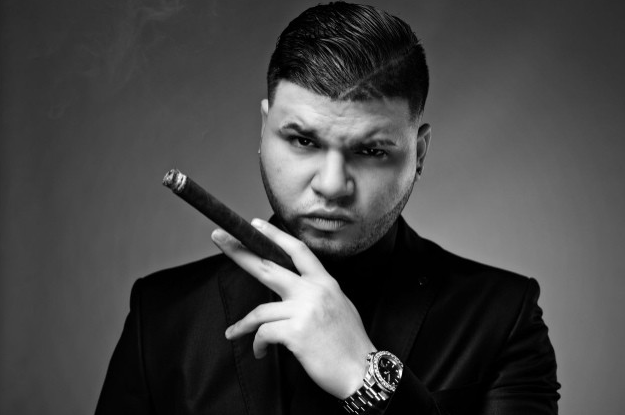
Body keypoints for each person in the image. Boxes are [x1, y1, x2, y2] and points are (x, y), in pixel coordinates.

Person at [95, 2, 560, 414]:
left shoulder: (502, 316)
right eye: (303, 141)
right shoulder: (163, 315)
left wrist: (367, 377)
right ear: (264, 130)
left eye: (371, 150)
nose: (332, 185)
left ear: (419, 154)